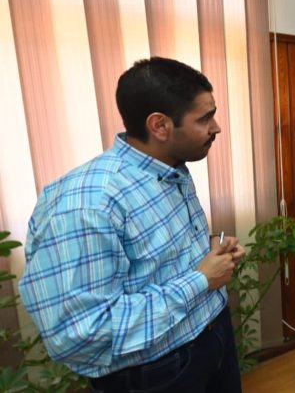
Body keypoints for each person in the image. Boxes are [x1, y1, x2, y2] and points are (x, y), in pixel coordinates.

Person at [19, 57, 245, 392]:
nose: (217, 127)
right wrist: (200, 280)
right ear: (160, 126)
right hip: (160, 374)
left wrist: (208, 248)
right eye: (204, 118)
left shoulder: (172, 168)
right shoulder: (88, 204)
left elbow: (151, 259)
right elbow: (81, 333)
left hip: (214, 338)